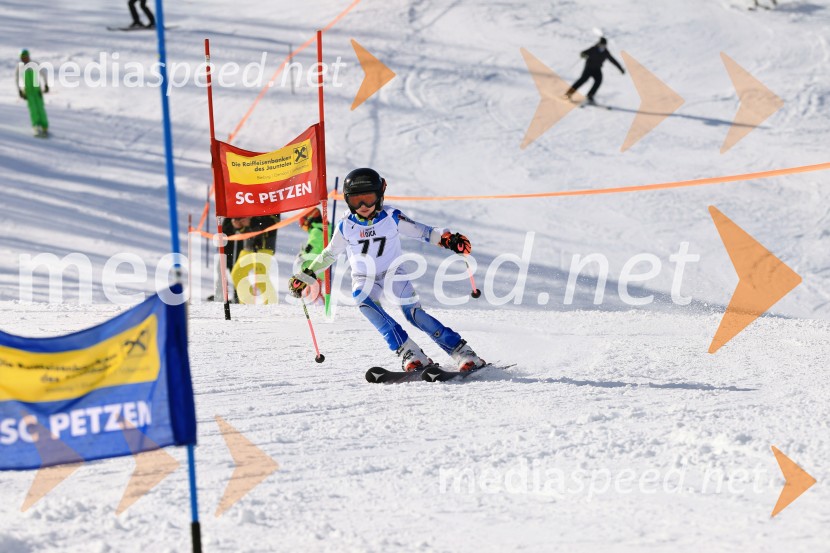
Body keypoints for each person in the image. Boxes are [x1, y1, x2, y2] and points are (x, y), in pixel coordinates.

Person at [288, 168, 485, 372]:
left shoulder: (390, 217)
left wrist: (448, 240)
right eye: (357, 201)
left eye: (369, 198)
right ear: (348, 200)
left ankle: (462, 352)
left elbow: (422, 232)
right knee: (363, 301)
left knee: (414, 314)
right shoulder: (346, 225)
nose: (363, 206)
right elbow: (329, 254)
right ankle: (409, 352)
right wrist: (306, 275)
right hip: (365, 277)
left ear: (380, 196)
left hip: (393, 273)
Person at [211, 215, 279, 302]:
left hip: (265, 245)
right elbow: (245, 227)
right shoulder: (247, 202)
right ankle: (246, 304)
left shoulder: (269, 202)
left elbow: (274, 222)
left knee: (260, 278)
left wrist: (252, 221)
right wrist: (239, 226)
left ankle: (271, 307)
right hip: (249, 246)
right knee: (237, 274)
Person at [565, 37, 625, 104]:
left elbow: (613, 60)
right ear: (599, 44)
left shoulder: (606, 52)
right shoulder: (593, 49)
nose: (602, 46)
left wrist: (621, 69)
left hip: (597, 69)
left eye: (604, 45)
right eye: (601, 44)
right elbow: (583, 53)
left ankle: (590, 96)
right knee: (582, 80)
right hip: (589, 68)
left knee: (598, 81)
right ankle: (568, 94)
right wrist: (583, 55)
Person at [296, 207, 331, 303]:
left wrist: (303, 255)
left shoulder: (317, 231)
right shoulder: (325, 229)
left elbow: (312, 247)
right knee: (309, 292)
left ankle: (321, 311)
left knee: (315, 294)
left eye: (305, 226)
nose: (306, 229)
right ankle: (319, 309)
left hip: (315, 268)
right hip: (319, 268)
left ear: (310, 219)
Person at [16, 49, 49, 138]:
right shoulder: (20, 67)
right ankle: (36, 126)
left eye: (26, 57)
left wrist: (46, 85)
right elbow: (17, 79)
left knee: (40, 109)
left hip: (37, 91)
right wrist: (19, 91)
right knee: (33, 110)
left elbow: (44, 74)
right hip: (28, 92)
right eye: (23, 58)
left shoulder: (34, 64)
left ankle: (44, 127)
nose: (24, 59)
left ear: (29, 57)